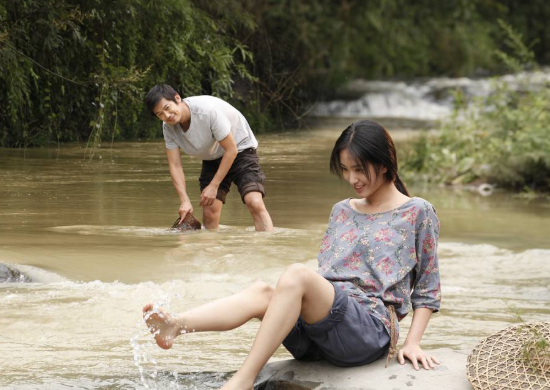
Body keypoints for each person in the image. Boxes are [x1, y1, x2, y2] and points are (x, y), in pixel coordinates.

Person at [142, 120, 441, 390]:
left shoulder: (418, 212)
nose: (352, 179)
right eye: (346, 169)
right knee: (263, 291)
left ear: (384, 163)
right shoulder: (342, 210)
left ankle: (242, 382)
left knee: (297, 275)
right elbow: (329, 277)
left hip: (368, 332)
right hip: (321, 333)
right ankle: (175, 327)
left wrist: (412, 343)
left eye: (360, 168)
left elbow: (427, 289)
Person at [145, 84, 273, 231]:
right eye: (160, 114)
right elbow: (175, 165)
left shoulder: (207, 112)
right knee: (209, 211)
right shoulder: (168, 127)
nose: (166, 116)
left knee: (254, 202)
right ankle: (211, 252)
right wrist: (184, 200)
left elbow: (231, 150)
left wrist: (214, 185)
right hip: (212, 156)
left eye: (167, 108)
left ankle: (266, 248)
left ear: (177, 98)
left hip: (240, 148)